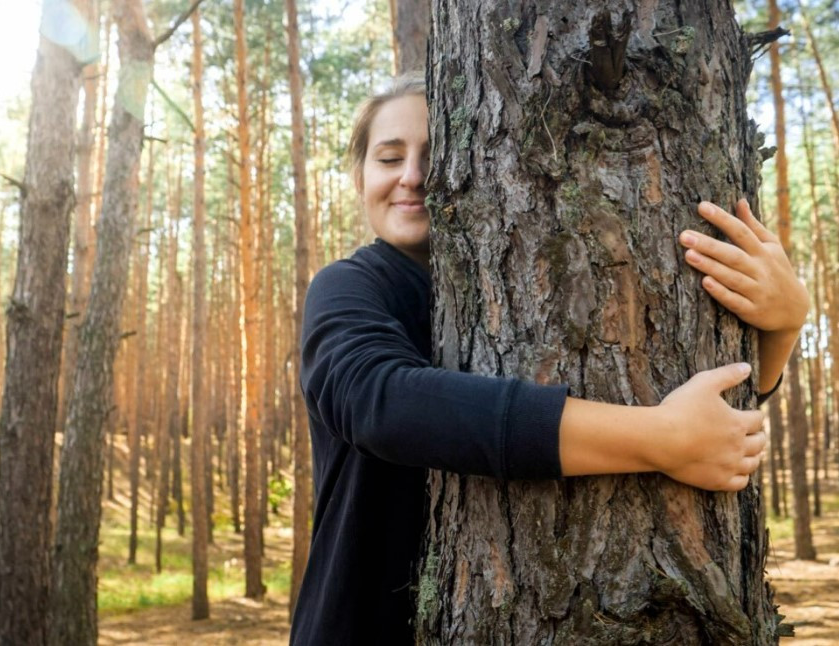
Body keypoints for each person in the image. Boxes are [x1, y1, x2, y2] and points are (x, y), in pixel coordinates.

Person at [288, 74, 807, 645]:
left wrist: (783, 324)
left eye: (434, 156)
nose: (412, 176)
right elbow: (379, 402)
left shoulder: (505, 281)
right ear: (359, 177)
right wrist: (660, 438)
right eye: (389, 158)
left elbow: (716, 423)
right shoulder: (348, 287)